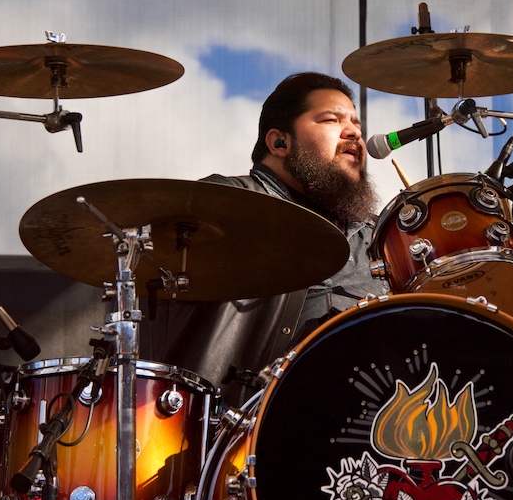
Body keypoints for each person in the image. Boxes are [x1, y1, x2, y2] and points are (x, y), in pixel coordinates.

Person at [151, 72, 388, 406]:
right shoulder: (227, 203)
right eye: (331, 120)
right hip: (247, 424)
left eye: (356, 124)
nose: (353, 133)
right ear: (279, 143)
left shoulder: (377, 237)